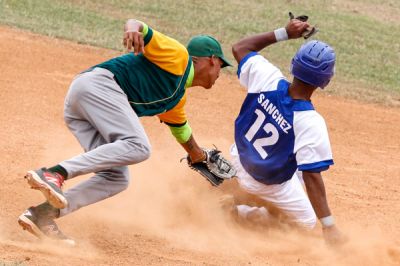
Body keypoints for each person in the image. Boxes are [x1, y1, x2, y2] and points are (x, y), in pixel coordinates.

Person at [18, 19, 232, 245]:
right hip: (98, 86)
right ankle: (55, 173)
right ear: (212, 60)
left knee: (116, 178)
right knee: (138, 146)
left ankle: (43, 215)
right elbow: (137, 24)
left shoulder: (176, 99)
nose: (221, 73)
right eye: (221, 66)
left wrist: (200, 156)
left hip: (83, 105)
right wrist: (132, 29)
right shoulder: (178, 57)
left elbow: (182, 131)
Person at [228, 17, 345, 245]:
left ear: (293, 63)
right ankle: (241, 211)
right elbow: (313, 176)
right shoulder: (310, 122)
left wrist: (284, 33)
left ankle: (238, 190)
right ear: (326, 81)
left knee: (301, 166)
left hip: (236, 159)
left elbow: (240, 48)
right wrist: (329, 225)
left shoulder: (267, 77)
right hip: (263, 182)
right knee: (306, 222)